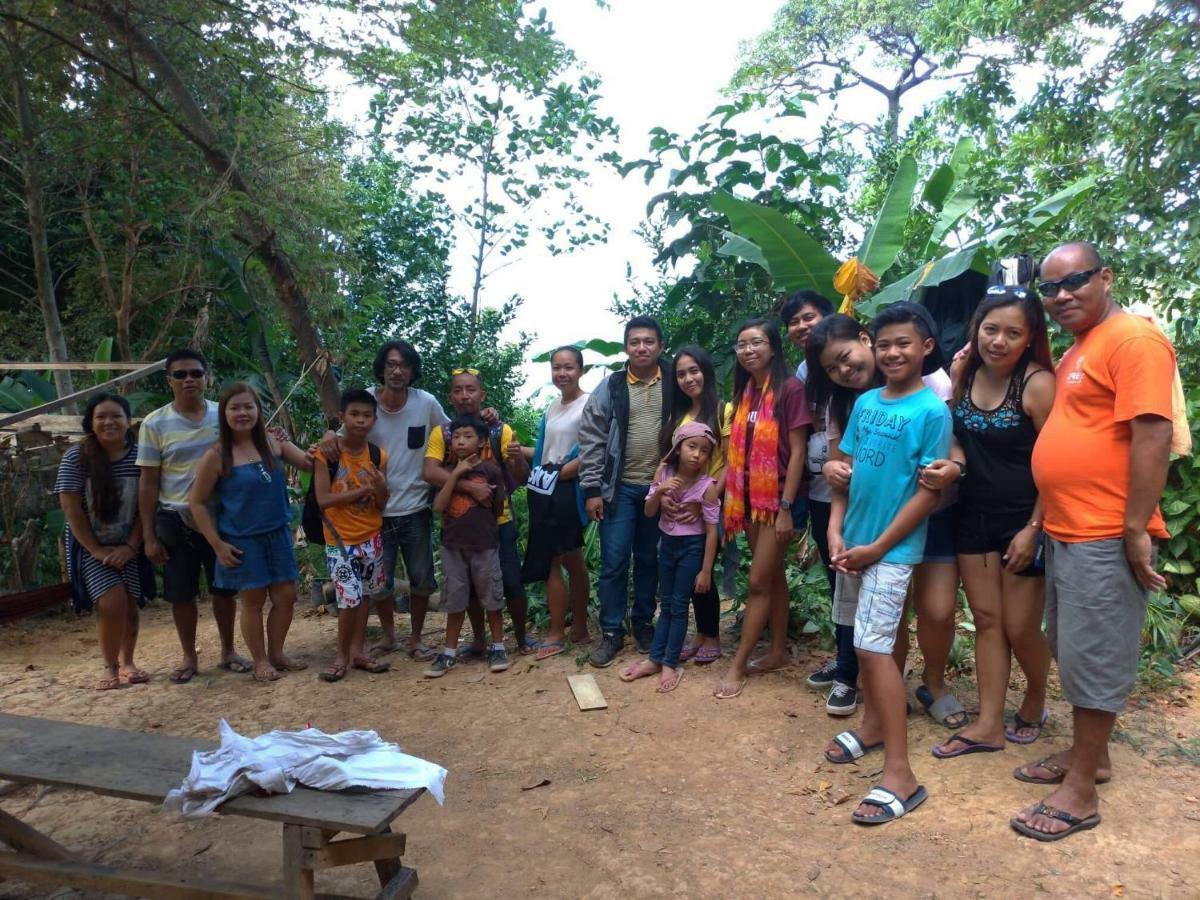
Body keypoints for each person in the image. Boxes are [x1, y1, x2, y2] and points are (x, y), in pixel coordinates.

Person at [1012, 242, 1174, 841]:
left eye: (1075, 281)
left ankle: (1080, 790)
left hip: (1106, 529)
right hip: (1068, 527)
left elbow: (1152, 435)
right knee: (1075, 649)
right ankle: (1091, 758)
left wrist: (1135, 528)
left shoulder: (1133, 339)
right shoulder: (1084, 347)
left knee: (1097, 653)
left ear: (1106, 276)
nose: (1061, 296)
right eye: (1050, 289)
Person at [824, 302, 952, 825]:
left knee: (874, 651)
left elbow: (925, 497)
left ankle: (901, 774)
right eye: (884, 343)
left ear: (926, 348)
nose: (893, 351)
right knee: (864, 641)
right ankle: (874, 728)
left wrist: (878, 547)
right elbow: (845, 475)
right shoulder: (865, 403)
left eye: (905, 343)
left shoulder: (931, 412)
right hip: (852, 545)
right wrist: (835, 528)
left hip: (891, 552)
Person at [808, 313, 963, 724]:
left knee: (936, 609)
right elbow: (843, 461)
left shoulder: (932, 389)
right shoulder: (855, 400)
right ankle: (885, 698)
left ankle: (934, 683)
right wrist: (830, 476)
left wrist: (953, 469)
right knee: (882, 623)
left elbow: (952, 447)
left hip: (933, 514)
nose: (843, 370)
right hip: (871, 522)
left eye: (846, 357)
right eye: (831, 368)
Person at [927, 288, 1055, 759]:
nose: (999, 341)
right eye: (990, 329)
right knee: (986, 621)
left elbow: (1056, 461)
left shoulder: (1037, 383)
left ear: (1029, 338)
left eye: (1013, 332)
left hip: (1024, 519)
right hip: (972, 514)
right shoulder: (963, 371)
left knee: (1021, 626)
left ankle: (1037, 696)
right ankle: (987, 724)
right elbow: (953, 435)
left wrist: (1034, 528)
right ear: (976, 329)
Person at [317, 341, 449, 661]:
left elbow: (449, 432)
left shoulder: (426, 403)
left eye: (404, 365)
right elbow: (342, 430)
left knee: (421, 579)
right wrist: (326, 436)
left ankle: (416, 638)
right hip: (374, 512)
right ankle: (389, 636)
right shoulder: (366, 403)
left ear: (413, 370)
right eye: (391, 364)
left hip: (415, 506)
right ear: (382, 368)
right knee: (380, 584)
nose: (397, 371)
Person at [137, 348, 249, 683]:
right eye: (181, 374)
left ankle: (228, 651)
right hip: (175, 521)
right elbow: (148, 483)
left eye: (196, 373)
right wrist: (148, 535)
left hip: (221, 518)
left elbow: (248, 449)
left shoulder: (224, 416)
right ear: (169, 379)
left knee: (224, 590)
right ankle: (189, 657)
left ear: (206, 377)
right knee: (181, 594)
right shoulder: (154, 424)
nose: (190, 380)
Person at [189, 383, 313, 682]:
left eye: (248, 407)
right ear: (224, 414)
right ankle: (260, 661)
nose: (242, 413)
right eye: (235, 408)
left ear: (259, 411)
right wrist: (217, 544)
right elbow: (197, 502)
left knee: (286, 596)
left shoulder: (272, 442)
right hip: (242, 539)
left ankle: (278, 653)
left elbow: (310, 462)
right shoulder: (217, 455)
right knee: (253, 601)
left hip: (278, 534)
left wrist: (335, 438)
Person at [714, 318, 811, 699]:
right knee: (771, 578)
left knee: (757, 582)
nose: (748, 350)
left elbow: (799, 450)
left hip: (777, 502)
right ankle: (776, 652)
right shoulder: (745, 392)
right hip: (748, 500)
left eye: (756, 343)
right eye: (741, 344)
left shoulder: (790, 389)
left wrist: (787, 507)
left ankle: (738, 664)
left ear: (772, 348)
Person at [578, 315, 672, 666]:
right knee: (614, 562)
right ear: (626, 348)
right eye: (635, 342)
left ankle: (643, 623)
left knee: (650, 559)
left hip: (659, 491)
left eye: (649, 341)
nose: (642, 347)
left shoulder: (674, 381)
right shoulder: (612, 386)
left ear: (660, 346)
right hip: (618, 490)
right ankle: (612, 631)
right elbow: (591, 437)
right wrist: (591, 489)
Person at [423, 368, 531, 655]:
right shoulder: (443, 434)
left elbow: (520, 477)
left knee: (511, 582)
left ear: (482, 395)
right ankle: (480, 642)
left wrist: (518, 458)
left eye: (471, 389)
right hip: (458, 523)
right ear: (451, 396)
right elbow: (430, 471)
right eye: (458, 390)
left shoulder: (500, 431)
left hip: (499, 521)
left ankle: (520, 639)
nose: (464, 395)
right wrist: (470, 488)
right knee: (469, 585)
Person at [782, 292, 855, 715]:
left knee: (851, 579)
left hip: (852, 486)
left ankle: (852, 672)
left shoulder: (846, 363)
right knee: (836, 582)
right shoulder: (803, 371)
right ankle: (849, 662)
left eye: (809, 316)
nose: (802, 325)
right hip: (819, 490)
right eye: (794, 320)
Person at [55, 393, 149, 690]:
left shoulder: (141, 455)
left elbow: (148, 505)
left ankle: (128, 662)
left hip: (131, 542)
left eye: (116, 416)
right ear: (90, 423)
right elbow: (70, 508)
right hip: (90, 546)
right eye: (101, 417)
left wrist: (132, 546)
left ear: (128, 421)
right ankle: (109, 667)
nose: (109, 422)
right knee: (112, 602)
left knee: (131, 605)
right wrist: (95, 549)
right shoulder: (77, 457)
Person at [620, 422, 720, 692]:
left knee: (678, 605)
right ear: (678, 449)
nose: (697, 454)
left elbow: (712, 532)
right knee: (665, 604)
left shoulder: (707, 486)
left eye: (704, 450)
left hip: (692, 548)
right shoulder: (664, 473)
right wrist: (661, 490)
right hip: (667, 546)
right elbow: (650, 512)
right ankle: (655, 659)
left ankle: (670, 662)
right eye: (691, 447)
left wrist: (706, 571)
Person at [312, 389, 392, 682]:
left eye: (367, 415)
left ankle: (357, 652)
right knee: (348, 600)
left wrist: (380, 487)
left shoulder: (376, 455)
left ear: (374, 419)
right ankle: (340, 656)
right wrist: (363, 490)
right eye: (354, 414)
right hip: (340, 541)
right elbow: (323, 500)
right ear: (341, 417)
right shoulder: (327, 453)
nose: (360, 421)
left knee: (366, 595)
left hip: (371, 536)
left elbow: (383, 502)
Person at [424, 415, 511, 677]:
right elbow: (438, 507)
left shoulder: (492, 471)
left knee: (491, 596)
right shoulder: (447, 471)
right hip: (453, 546)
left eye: (468, 436)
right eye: (457, 437)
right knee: (455, 598)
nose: (461, 441)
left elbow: (498, 508)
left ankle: (498, 647)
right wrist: (457, 475)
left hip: (484, 544)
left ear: (481, 441)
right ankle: (449, 652)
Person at [521, 346, 592, 661]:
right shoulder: (551, 406)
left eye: (569, 367)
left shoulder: (588, 405)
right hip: (545, 487)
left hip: (564, 489)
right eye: (557, 367)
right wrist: (517, 451)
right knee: (573, 560)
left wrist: (562, 475)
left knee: (554, 560)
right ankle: (579, 627)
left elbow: (592, 451)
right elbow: (545, 450)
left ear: (581, 370)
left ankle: (556, 633)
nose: (562, 373)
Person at [660, 346, 729, 664]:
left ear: (706, 371)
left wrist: (712, 495)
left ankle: (711, 635)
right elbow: (669, 461)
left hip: (711, 498)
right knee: (688, 567)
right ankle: (700, 634)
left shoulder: (723, 411)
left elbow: (733, 459)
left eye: (694, 370)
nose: (689, 378)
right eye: (681, 373)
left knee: (705, 568)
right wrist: (665, 496)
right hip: (680, 502)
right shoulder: (678, 415)